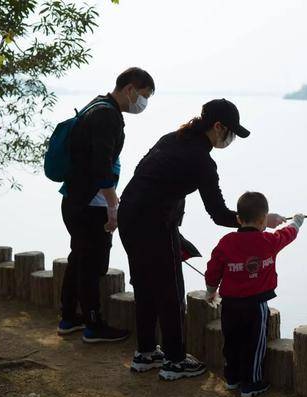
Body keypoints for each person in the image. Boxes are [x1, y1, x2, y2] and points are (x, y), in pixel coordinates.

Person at [117, 99, 287, 380]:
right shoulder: (202, 161)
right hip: (154, 225)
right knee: (170, 292)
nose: (230, 138)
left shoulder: (172, 139)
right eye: (230, 132)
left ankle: (145, 353)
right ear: (217, 127)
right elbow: (219, 214)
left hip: (130, 216)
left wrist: (172, 227)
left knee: (146, 286)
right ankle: (174, 360)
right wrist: (260, 222)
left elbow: (151, 182)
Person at [58, 67, 155, 343]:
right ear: (130, 89)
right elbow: (102, 164)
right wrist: (113, 206)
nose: (143, 103)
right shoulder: (107, 115)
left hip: (75, 198)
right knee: (91, 264)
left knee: (78, 257)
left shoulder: (95, 106)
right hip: (91, 204)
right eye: (143, 95)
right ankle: (93, 325)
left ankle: (69, 317)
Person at [204, 191, 304, 397]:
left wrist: (211, 291)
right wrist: (296, 222)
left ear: (239, 219)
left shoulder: (226, 242)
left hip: (229, 305)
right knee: (254, 345)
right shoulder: (269, 240)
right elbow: (288, 234)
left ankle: (232, 378)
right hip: (255, 305)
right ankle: (252, 383)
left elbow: (213, 270)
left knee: (231, 341)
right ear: (263, 221)